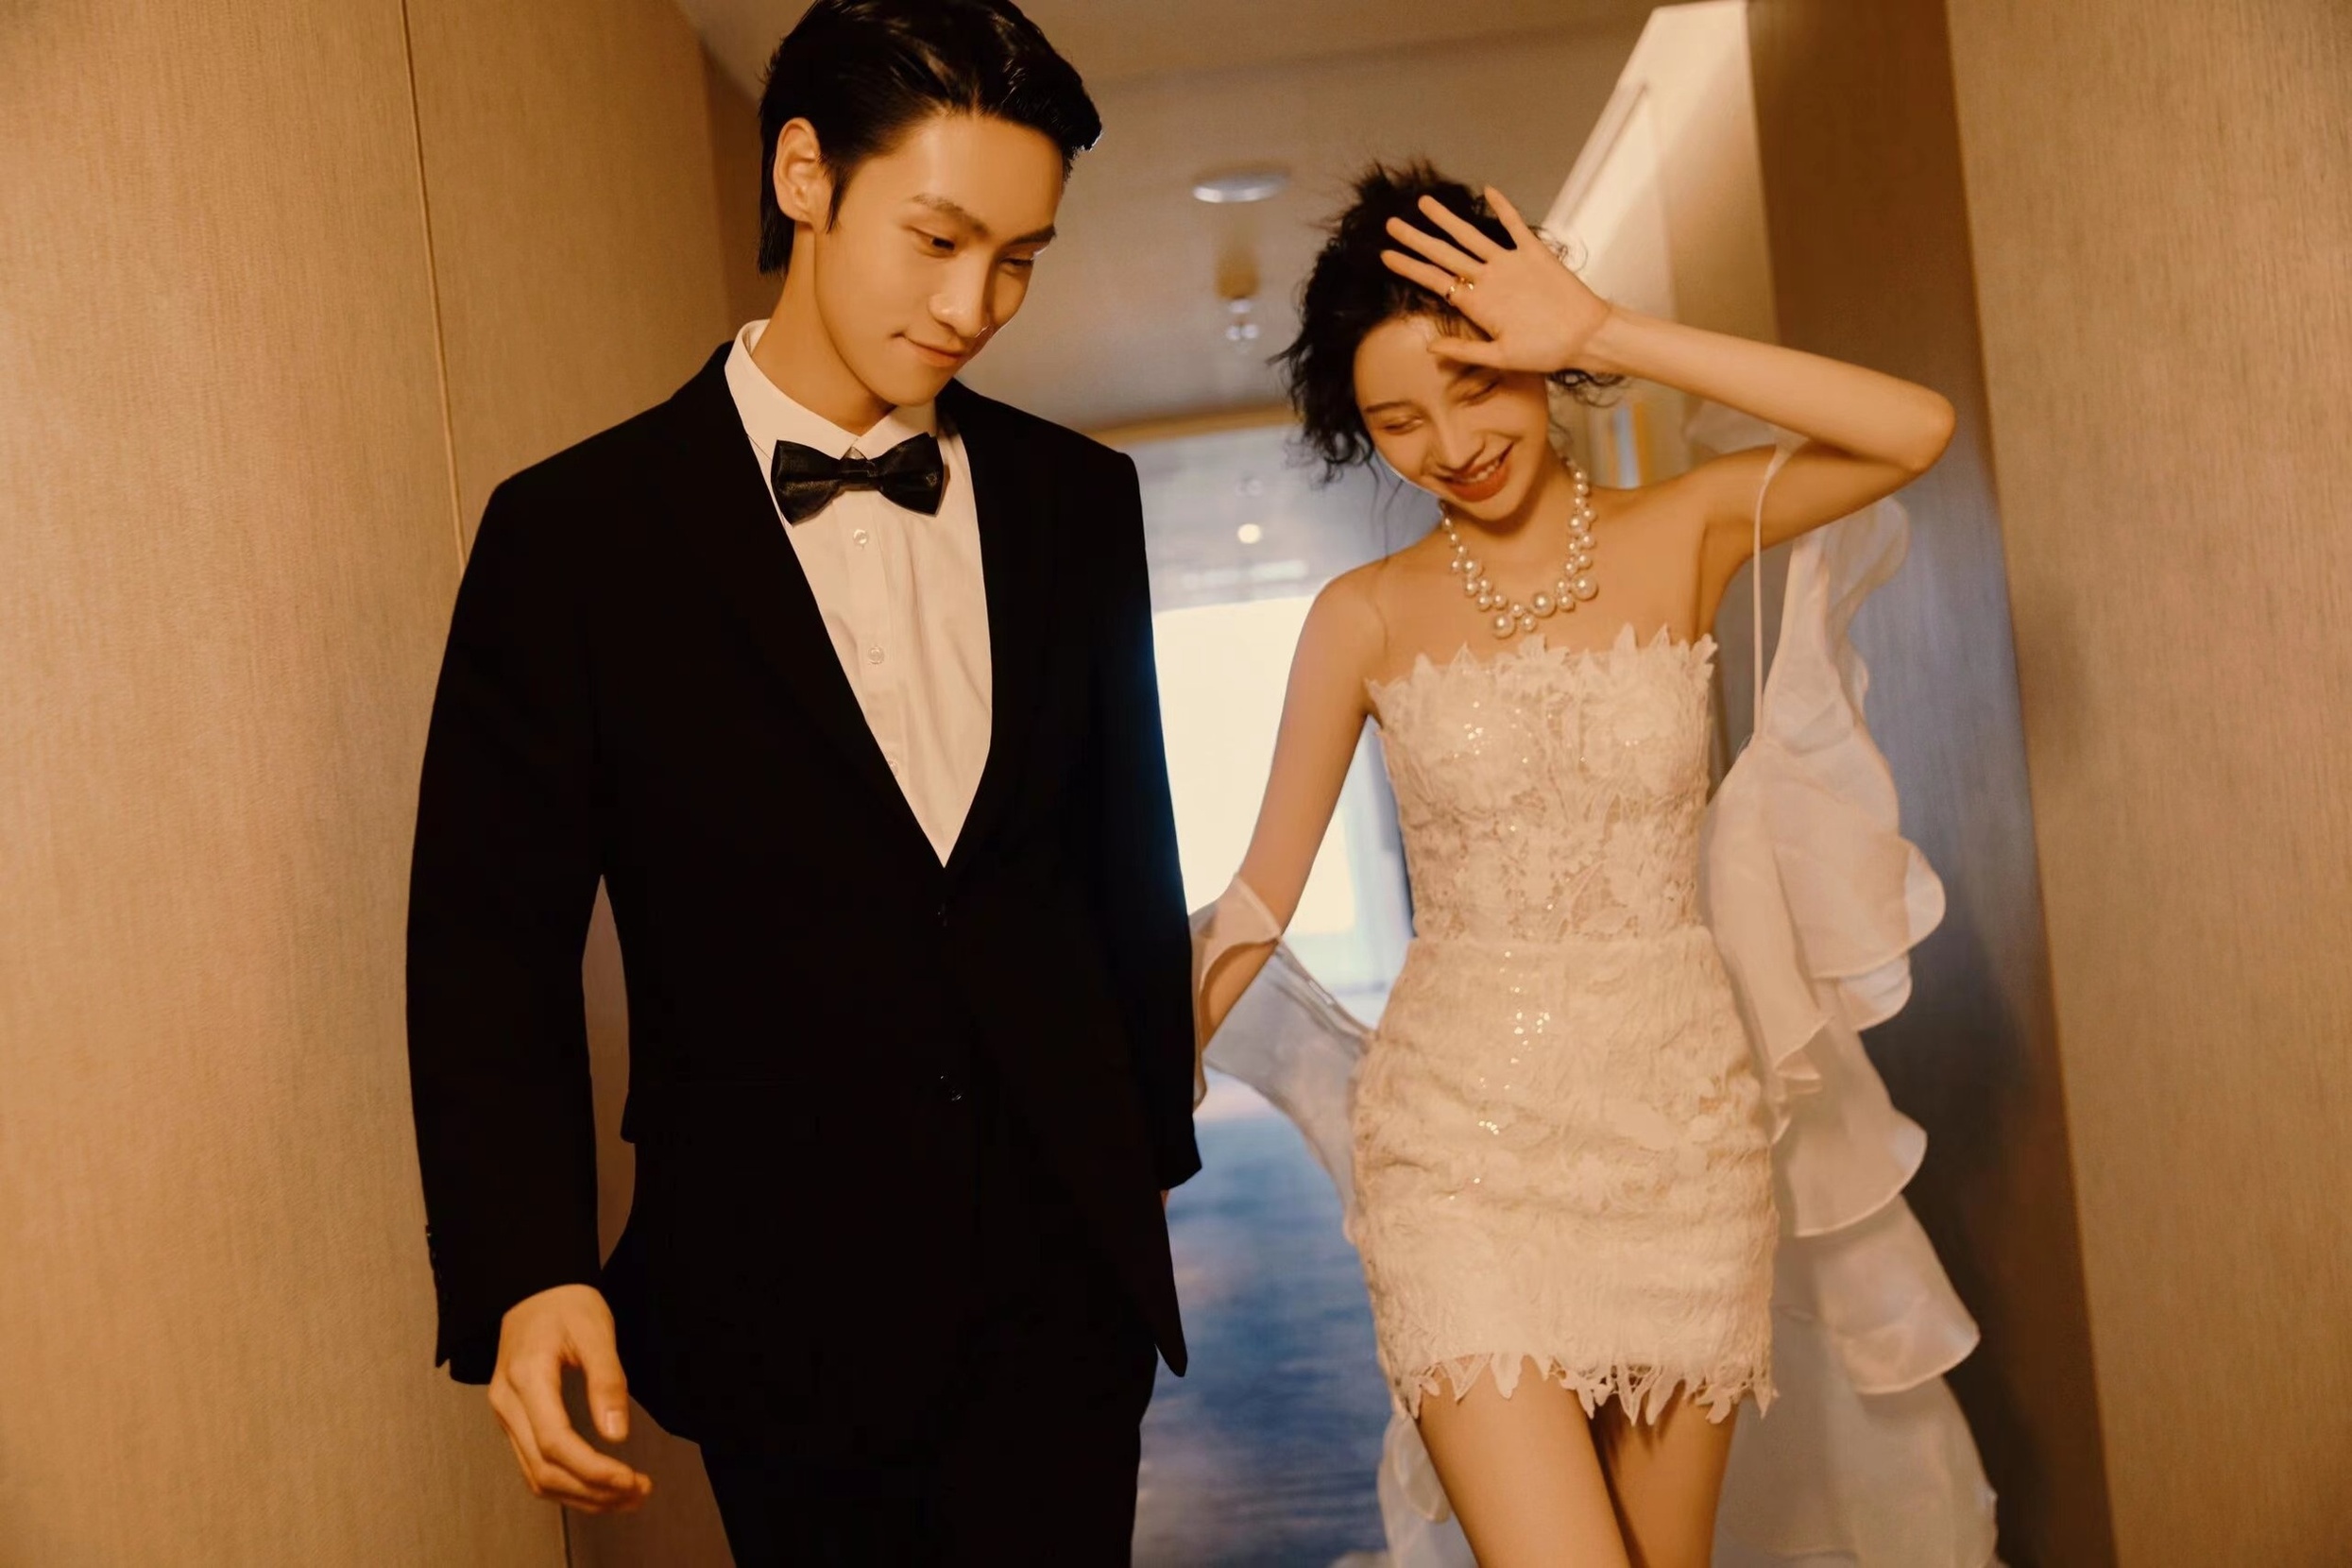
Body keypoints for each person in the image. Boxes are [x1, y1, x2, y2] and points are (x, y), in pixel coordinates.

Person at [402, 3, 1197, 1562]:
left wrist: (1141, 1170)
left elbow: (1124, 857)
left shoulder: (1077, 501)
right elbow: (488, 944)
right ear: (804, 176)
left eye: (1020, 258)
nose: (974, 305)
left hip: (1063, 1288)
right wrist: (529, 1266)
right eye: (940, 240)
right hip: (777, 1295)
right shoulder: (574, 536)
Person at [1193, 164, 1969, 1568]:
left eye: (1477, 383)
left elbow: (1913, 427)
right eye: (1397, 422)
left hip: (1680, 1138)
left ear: (1536, 354)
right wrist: (1140, 1067)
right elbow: (1258, 894)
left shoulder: (1687, 529)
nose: (1451, 443)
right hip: (1456, 1158)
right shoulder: (1362, 616)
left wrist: (1606, 328)